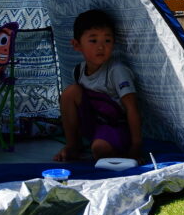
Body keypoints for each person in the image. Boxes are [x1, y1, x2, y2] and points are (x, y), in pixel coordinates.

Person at [54, 9, 143, 162]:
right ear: (77, 45)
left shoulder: (117, 71)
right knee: (70, 92)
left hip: (115, 127)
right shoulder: (79, 70)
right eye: (93, 41)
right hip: (94, 124)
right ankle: (73, 146)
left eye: (107, 41)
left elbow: (132, 108)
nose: (101, 47)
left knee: (100, 149)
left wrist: (136, 147)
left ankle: (113, 150)